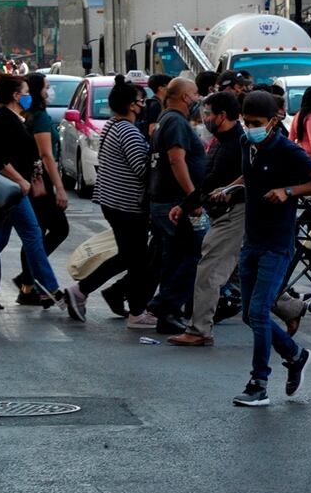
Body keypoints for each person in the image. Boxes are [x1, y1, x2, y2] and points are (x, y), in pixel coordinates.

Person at [231, 91, 311, 406]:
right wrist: (230, 188)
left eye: (256, 123)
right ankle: (295, 355)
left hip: (276, 244)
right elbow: (248, 176)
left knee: (260, 312)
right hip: (251, 240)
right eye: (246, 122)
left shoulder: (287, 150)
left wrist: (288, 191)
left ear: (274, 122)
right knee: (250, 315)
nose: (250, 127)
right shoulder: (246, 143)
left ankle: (258, 383)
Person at [0, 75, 67, 312]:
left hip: (13, 189)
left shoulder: (15, 118)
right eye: (25, 91)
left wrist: (32, 178)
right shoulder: (5, 120)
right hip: (11, 191)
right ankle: (50, 290)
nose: (28, 95)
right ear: (16, 95)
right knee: (33, 236)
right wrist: (21, 180)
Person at [62, 77, 154, 328]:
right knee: (138, 261)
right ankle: (136, 313)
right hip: (127, 206)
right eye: (140, 101)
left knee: (129, 257)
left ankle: (80, 291)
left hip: (113, 202)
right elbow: (142, 170)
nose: (143, 105)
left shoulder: (113, 126)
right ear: (132, 105)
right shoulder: (128, 131)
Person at [170, 91, 246, 346]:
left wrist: (189, 203)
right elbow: (208, 181)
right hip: (221, 214)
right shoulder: (222, 141)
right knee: (246, 273)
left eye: (208, 114)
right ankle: (290, 309)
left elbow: (217, 182)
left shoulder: (238, 143)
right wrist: (186, 205)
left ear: (222, 116)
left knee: (209, 271)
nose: (205, 119)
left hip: (233, 215)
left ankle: (199, 330)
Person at [148, 77, 207, 334]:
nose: (197, 100)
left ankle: (165, 309)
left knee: (175, 257)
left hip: (168, 201)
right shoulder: (175, 121)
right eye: (195, 94)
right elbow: (176, 160)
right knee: (192, 254)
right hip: (175, 202)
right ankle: (166, 306)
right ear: (185, 97)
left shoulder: (166, 119)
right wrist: (192, 198)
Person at [13, 72, 70, 306]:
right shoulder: (40, 118)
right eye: (47, 87)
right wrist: (60, 187)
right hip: (41, 181)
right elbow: (46, 155)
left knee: (36, 233)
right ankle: (29, 279)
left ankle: (27, 285)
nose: (50, 92)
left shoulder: (29, 115)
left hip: (32, 178)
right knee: (57, 229)